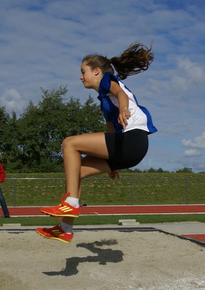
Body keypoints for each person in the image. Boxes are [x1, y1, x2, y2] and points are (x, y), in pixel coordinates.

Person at [38, 43, 157, 243]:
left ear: (96, 71)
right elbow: (110, 128)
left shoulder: (107, 81)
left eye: (83, 71)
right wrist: (112, 163)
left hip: (133, 139)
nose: (80, 76)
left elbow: (120, 93)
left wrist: (123, 110)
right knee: (77, 171)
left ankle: (72, 202)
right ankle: (65, 228)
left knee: (69, 144)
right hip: (129, 149)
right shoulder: (104, 101)